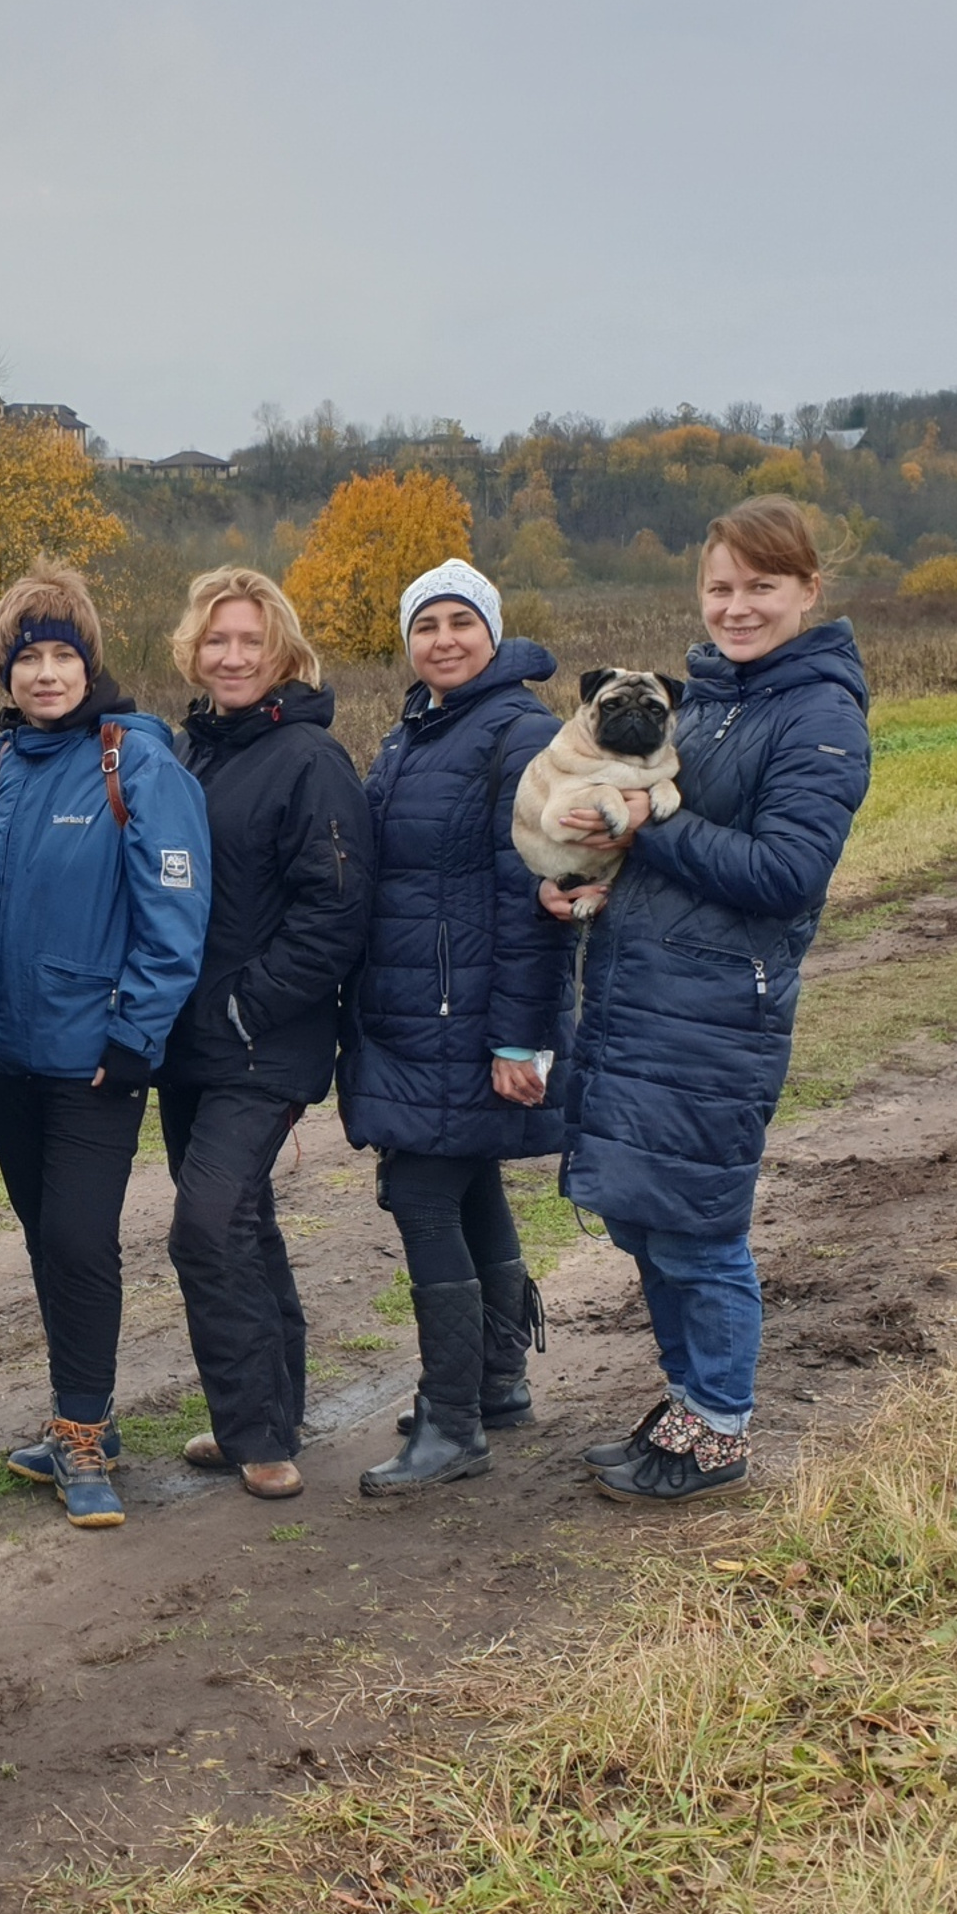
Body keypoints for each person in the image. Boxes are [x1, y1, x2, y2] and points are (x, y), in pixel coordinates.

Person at [553, 498, 871, 1502]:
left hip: (719, 1009)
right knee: (645, 1217)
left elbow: (786, 871)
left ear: (807, 590)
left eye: (760, 586)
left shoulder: (819, 715)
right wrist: (588, 876)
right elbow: (654, 841)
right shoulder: (705, 701)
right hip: (641, 997)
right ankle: (688, 1401)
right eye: (720, 587)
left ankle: (721, 1427)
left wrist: (647, 823)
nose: (736, 607)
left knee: (696, 1227)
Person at [0, 562, 210, 1531]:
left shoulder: (136, 763)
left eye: (61, 655)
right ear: (4, 672)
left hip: (94, 1059)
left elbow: (175, 918)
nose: (45, 674)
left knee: (81, 1241)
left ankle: (80, 1433)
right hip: (0, 1054)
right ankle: (86, 1415)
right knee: (48, 1237)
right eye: (26, 657)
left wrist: (135, 1038)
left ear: (90, 663)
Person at [340, 560, 575, 1495]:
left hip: (471, 1016)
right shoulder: (415, 732)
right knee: (468, 1180)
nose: (443, 640)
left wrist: (521, 1038)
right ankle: (498, 1383)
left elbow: (534, 898)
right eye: (425, 625)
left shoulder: (520, 734)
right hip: (418, 1013)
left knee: (421, 1193)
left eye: (459, 622)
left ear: (492, 631)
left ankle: (452, 1422)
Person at [157, 568, 371, 1501]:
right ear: (193, 651)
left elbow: (336, 910)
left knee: (206, 1224)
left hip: (262, 1040)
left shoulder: (309, 759)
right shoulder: (187, 753)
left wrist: (249, 1004)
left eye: (251, 640)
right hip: (186, 1041)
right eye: (217, 640)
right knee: (242, 1221)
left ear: (282, 650)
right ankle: (271, 1414)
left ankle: (255, 1435)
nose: (234, 656)